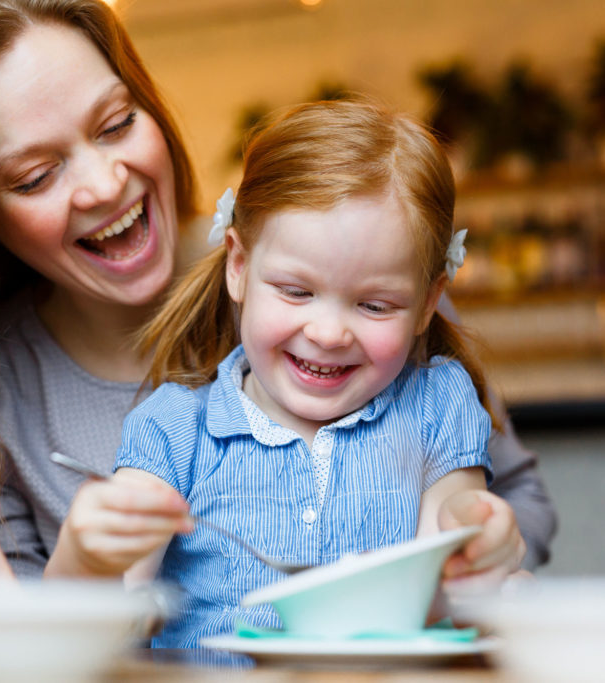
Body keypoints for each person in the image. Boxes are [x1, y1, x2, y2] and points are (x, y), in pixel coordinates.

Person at [0, 0, 555, 581]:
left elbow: (517, 500)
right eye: (35, 175)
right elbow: (37, 641)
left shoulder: (348, 272)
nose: (106, 183)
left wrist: (489, 543)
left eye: (116, 124)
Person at [45, 100, 526, 647]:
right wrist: (84, 560)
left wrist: (479, 539)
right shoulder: (173, 430)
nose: (328, 333)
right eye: (296, 292)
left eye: (374, 306)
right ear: (239, 266)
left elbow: (450, 571)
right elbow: (95, 631)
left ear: (427, 303)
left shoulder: (439, 405)